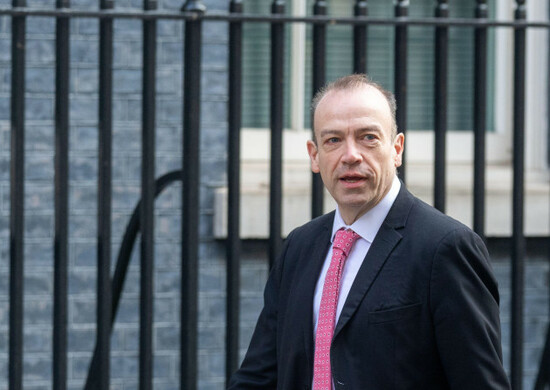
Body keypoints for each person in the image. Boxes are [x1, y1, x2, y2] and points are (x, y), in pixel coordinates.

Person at [228, 74, 510, 390]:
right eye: (333, 140)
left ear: (397, 148)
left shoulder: (445, 248)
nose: (350, 155)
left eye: (368, 137)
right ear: (314, 155)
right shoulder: (299, 246)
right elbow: (258, 377)